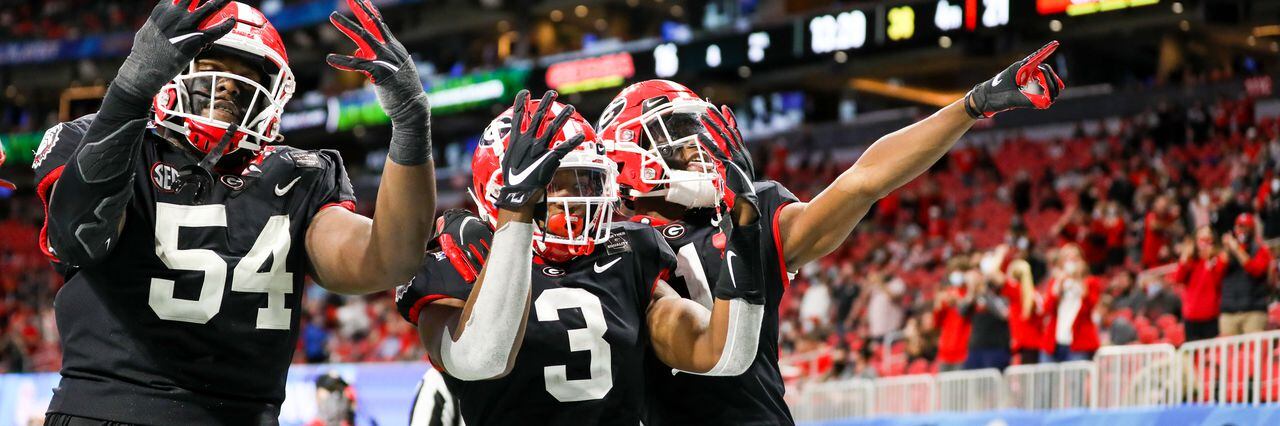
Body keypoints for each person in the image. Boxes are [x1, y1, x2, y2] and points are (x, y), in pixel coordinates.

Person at [599, 41, 1065, 424]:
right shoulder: (611, 248)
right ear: (627, 155)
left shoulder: (747, 214)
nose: (697, 150)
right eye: (677, 138)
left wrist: (972, 105)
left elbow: (864, 181)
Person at [34, 1, 436, 424]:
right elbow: (77, 236)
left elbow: (390, 258)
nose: (229, 85)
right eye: (212, 63)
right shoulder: (110, 143)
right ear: (169, 72)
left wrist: (410, 124)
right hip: (109, 412)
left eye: (247, 74)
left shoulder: (299, 175)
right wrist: (130, 92)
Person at [393, 91, 768, 425]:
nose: (580, 200)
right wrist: (516, 218)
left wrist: (746, 236)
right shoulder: (462, 255)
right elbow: (480, 358)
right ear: (502, 188)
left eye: (587, 182)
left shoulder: (630, 251)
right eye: (558, 183)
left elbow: (724, 352)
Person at [1041, 244, 1102, 362]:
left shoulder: (1090, 282)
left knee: (1075, 379)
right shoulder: (1055, 283)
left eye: (1075, 258)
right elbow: (1047, 308)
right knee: (1047, 379)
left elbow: (1090, 306)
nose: (1070, 262)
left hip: (1079, 343)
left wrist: (1078, 278)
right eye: (1067, 258)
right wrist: (1059, 284)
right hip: (1054, 342)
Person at [1219, 213, 1273, 336]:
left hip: (1253, 311)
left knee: (1254, 352)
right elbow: (1218, 273)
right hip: (1229, 312)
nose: (1241, 230)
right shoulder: (1228, 250)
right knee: (1228, 354)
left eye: (1245, 227)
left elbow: (1255, 270)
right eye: (1239, 227)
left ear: (1252, 229)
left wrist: (1236, 249)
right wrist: (1227, 250)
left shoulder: (1261, 250)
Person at [1173, 226, 1229, 341]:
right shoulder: (1190, 261)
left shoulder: (1219, 259)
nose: (1205, 244)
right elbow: (1178, 279)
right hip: (1191, 317)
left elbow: (1218, 280)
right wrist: (1184, 257)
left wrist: (1210, 262)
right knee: (1194, 355)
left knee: (1211, 356)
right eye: (1202, 240)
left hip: (1211, 316)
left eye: (1208, 239)